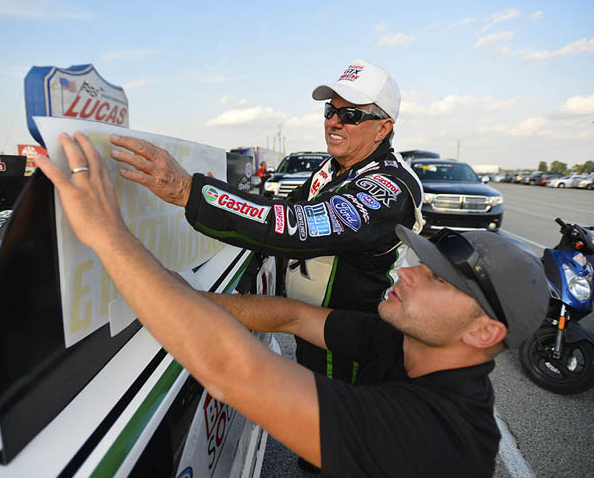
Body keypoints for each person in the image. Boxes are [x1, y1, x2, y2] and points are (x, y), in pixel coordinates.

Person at [35, 133, 548, 478]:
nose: (408, 274)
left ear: (484, 332)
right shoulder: (405, 341)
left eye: (436, 279)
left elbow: (233, 369)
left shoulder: (434, 435)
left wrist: (109, 235)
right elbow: (291, 317)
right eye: (422, 263)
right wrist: (170, 290)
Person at [106, 59, 424, 394]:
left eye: (350, 115)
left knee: (335, 424)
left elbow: (298, 226)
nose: (333, 122)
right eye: (330, 111)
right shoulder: (331, 168)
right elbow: (284, 208)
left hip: (357, 353)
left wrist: (192, 192)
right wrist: (226, 195)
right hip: (313, 332)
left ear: (383, 128)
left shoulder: (390, 186)